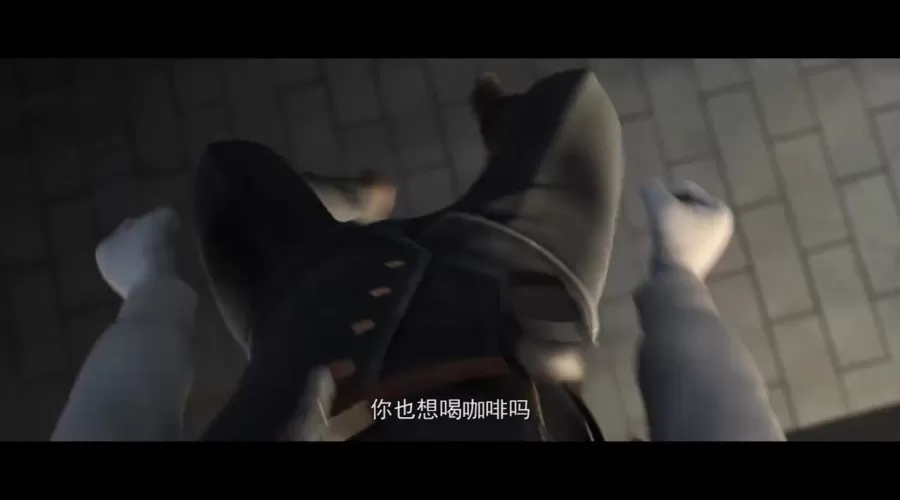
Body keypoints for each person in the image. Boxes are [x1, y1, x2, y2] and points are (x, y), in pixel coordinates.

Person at [52, 68, 784, 441]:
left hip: (306, 310)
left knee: (229, 176)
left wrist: (148, 299)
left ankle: (348, 208)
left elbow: (109, 426)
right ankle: (494, 135)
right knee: (574, 107)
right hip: (514, 290)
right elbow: (721, 423)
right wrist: (680, 281)